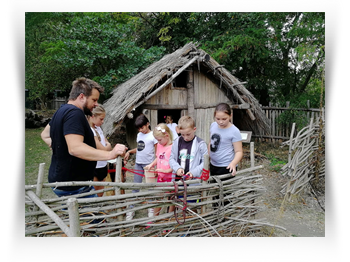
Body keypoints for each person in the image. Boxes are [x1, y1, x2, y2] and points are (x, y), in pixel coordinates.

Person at [40, 77, 127, 198]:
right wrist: (110, 154)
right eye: (94, 100)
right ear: (81, 97)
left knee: (80, 215)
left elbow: (45, 134)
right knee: (96, 216)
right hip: (73, 185)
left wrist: (61, 147)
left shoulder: (61, 111)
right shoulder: (75, 113)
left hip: (62, 180)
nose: (96, 104)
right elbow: (75, 148)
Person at [123, 114, 158, 220]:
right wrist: (130, 151)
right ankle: (132, 208)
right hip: (138, 163)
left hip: (149, 165)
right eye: (138, 128)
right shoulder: (139, 135)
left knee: (150, 188)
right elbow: (140, 148)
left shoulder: (153, 136)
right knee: (135, 187)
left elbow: (157, 152)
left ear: (147, 124)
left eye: (142, 127)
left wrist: (155, 166)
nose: (140, 130)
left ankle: (151, 209)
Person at [209, 103, 243, 208]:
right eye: (217, 118)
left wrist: (233, 163)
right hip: (213, 164)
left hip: (226, 166)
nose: (220, 122)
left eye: (224, 118)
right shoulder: (213, 125)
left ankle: (225, 218)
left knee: (225, 194)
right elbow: (210, 143)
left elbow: (239, 151)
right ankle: (216, 214)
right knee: (215, 192)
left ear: (230, 116)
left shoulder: (234, 131)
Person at [145, 123, 175, 216]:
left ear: (167, 136)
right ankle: (155, 218)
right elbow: (159, 157)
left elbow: (175, 163)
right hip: (161, 178)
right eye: (157, 140)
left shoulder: (173, 147)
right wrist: (151, 164)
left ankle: (169, 218)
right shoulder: (159, 145)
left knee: (171, 199)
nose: (158, 142)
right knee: (159, 197)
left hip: (170, 178)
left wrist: (167, 171)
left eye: (160, 140)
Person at [169, 115, 208, 186]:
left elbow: (205, 162)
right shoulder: (176, 142)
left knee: (192, 197)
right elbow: (171, 159)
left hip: (193, 182)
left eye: (188, 134)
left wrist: (193, 173)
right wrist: (177, 169)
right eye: (182, 134)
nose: (185, 137)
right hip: (178, 181)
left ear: (194, 129)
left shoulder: (201, 144)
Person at [87, 104, 112, 197]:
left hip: (103, 164)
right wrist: (108, 146)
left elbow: (106, 143)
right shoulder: (90, 130)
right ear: (93, 117)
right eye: (101, 119)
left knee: (101, 191)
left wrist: (107, 146)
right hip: (95, 166)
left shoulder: (98, 128)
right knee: (95, 191)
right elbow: (104, 148)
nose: (103, 121)